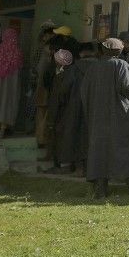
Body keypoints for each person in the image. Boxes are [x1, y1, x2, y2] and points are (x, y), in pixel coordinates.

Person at [81, 38, 129, 198]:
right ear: (119, 51)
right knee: (123, 146)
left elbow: (84, 91)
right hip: (119, 113)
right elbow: (126, 87)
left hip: (97, 115)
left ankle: (100, 187)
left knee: (99, 148)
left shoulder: (93, 67)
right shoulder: (121, 65)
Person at [54, 42, 95, 175]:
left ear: (81, 53)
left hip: (74, 106)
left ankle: (76, 168)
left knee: (74, 136)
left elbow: (64, 90)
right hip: (95, 108)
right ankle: (89, 168)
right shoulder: (101, 67)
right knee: (90, 137)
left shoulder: (73, 69)